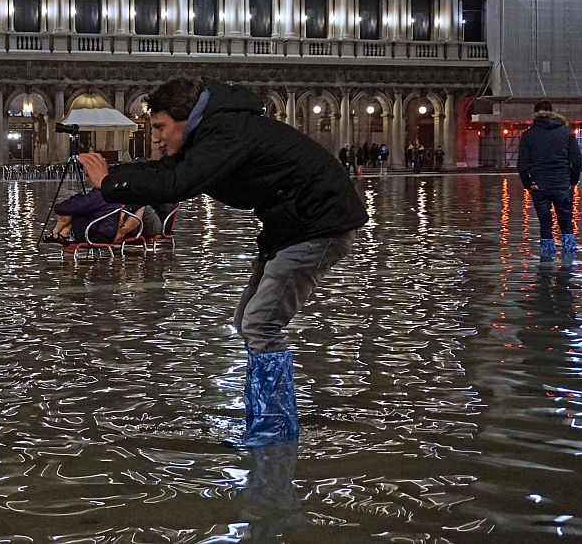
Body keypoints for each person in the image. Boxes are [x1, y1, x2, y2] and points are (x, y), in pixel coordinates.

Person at [77, 77, 368, 447]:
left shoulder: (225, 132)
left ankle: (273, 435)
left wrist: (108, 184)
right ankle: (265, 417)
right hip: (294, 225)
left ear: (185, 118)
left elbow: (179, 184)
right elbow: (166, 173)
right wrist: (110, 178)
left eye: (160, 127)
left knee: (261, 323)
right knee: (246, 320)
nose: (155, 138)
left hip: (320, 224)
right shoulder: (212, 132)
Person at [517, 101, 582, 258]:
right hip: (562, 183)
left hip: (539, 185)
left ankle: (546, 264)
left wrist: (528, 184)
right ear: (552, 112)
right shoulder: (566, 132)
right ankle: (569, 260)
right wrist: (571, 181)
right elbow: (578, 161)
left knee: (545, 224)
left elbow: (522, 166)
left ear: (535, 114)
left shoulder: (528, 135)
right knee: (566, 222)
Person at [44, 188, 122, 244]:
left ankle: (57, 232)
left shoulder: (99, 194)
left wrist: (57, 208)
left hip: (98, 236)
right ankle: (62, 233)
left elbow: (73, 207)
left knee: (75, 211)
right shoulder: (112, 192)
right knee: (77, 202)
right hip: (107, 234)